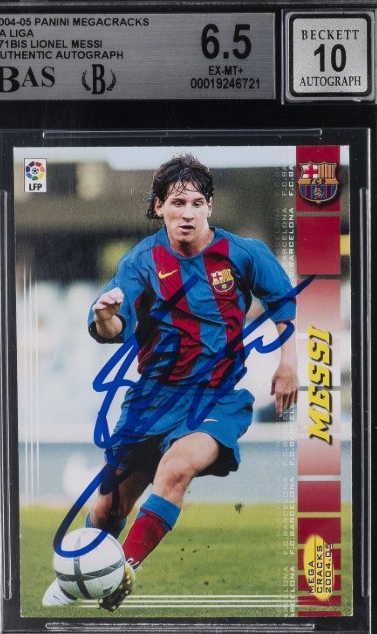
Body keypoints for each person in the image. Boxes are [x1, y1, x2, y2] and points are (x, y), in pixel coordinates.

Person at [43, 154, 298, 610]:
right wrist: (104, 316)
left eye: (197, 203)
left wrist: (288, 364)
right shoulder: (140, 262)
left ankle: (120, 573)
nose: (188, 213)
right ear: (159, 206)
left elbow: (283, 301)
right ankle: (77, 578)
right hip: (153, 399)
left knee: (177, 467)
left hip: (216, 398)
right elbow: (113, 327)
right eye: (178, 203)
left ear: (210, 207)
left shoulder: (243, 254)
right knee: (106, 510)